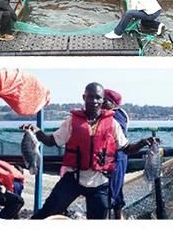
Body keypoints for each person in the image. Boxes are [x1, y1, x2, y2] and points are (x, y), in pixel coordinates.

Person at [22, 82, 159, 219]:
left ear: (103, 100)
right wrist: (36, 131)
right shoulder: (72, 121)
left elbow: (127, 148)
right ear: (84, 97)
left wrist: (142, 143)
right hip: (73, 179)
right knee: (46, 214)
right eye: (90, 97)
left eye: (98, 98)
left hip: (99, 183)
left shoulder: (112, 123)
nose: (94, 101)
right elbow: (51, 141)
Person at [102, 89, 129, 219]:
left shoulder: (117, 116)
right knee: (116, 193)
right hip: (109, 158)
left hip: (117, 159)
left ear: (112, 103)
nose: (100, 102)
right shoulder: (105, 114)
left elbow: (117, 140)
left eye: (103, 99)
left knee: (110, 193)